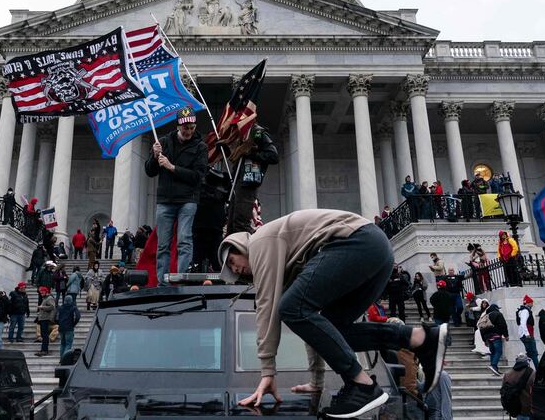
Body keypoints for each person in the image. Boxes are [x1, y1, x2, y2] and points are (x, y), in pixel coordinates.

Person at [218, 209, 450, 418]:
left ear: (240, 246)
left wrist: (267, 372)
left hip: (358, 242)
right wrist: (317, 381)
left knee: (290, 307)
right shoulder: (286, 262)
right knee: (331, 327)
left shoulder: (260, 242)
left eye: (232, 261)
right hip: (376, 251)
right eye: (232, 272)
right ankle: (419, 338)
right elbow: (315, 329)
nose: (235, 269)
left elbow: (267, 309)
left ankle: (363, 385)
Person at [145, 107, 208, 286]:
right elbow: (150, 171)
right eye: (185, 127)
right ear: (178, 126)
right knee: (163, 245)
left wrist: (172, 167)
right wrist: (155, 156)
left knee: (184, 240)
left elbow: (198, 176)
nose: (188, 131)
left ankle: (182, 281)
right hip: (165, 200)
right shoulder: (164, 142)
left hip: (188, 199)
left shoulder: (200, 146)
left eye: (192, 127)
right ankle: (163, 283)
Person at [226, 123, 279, 234]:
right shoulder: (239, 134)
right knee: (231, 224)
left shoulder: (257, 133)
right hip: (237, 183)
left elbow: (273, 156)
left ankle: (245, 249)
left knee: (241, 224)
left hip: (248, 183)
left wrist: (252, 154)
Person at [500, 353, 536, 420]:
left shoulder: (507, 374)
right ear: (527, 361)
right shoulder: (532, 373)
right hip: (528, 408)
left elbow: (503, 391)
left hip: (515, 408)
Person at [478, 302, 509, 376]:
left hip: (488, 338)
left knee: (493, 352)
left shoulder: (485, 316)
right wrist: (506, 335)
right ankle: (493, 366)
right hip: (496, 336)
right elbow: (503, 325)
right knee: (498, 352)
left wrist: (484, 340)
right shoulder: (498, 314)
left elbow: (481, 329)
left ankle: (494, 369)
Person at [57, 295, 81, 361]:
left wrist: (59, 323)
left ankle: (61, 359)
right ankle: (65, 359)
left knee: (62, 344)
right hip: (69, 328)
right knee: (68, 344)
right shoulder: (73, 308)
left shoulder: (60, 307)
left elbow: (55, 317)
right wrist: (74, 324)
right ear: (71, 301)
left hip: (61, 328)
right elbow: (78, 316)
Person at [517, 295, 539, 366]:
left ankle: (525, 367)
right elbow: (523, 323)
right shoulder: (525, 311)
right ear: (528, 303)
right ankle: (539, 371)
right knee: (534, 353)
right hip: (527, 335)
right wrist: (527, 334)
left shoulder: (522, 311)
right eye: (531, 303)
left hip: (524, 335)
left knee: (530, 353)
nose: (532, 304)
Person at [35, 286, 56, 356]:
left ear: (46, 291)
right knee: (44, 335)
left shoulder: (49, 298)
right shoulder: (45, 298)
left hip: (46, 319)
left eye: (42, 292)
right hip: (43, 318)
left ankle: (45, 350)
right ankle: (43, 349)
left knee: (45, 335)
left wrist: (42, 307)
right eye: (40, 292)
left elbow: (52, 307)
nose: (41, 293)